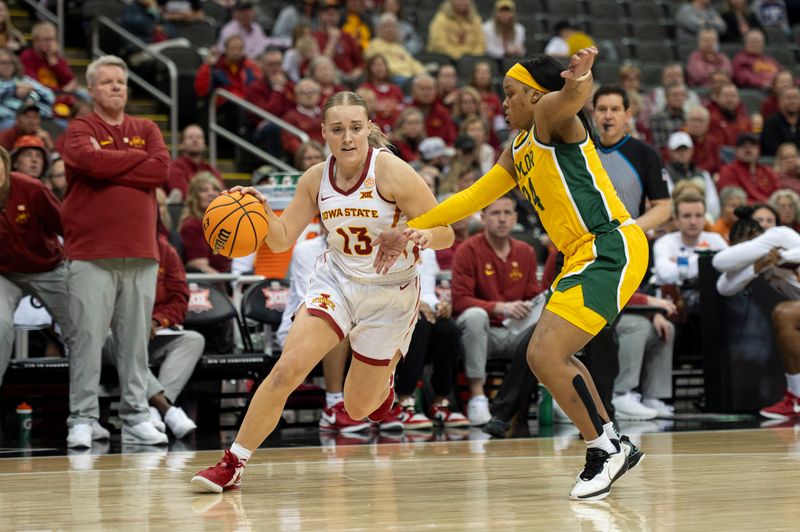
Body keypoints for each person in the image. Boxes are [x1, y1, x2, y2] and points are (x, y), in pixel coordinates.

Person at [403, 48, 648, 500]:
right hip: (581, 254)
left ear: (536, 95)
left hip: (608, 245)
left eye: (511, 94)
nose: (504, 103)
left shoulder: (553, 118)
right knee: (549, 355)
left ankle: (602, 449)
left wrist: (579, 78)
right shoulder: (516, 148)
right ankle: (611, 442)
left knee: (546, 353)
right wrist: (412, 228)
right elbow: (473, 197)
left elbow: (570, 98)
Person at [191, 90, 454, 493]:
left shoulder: (393, 172)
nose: (347, 138)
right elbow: (280, 241)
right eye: (337, 130)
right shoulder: (315, 178)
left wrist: (410, 235)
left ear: (369, 128)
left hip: (390, 293)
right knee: (286, 370)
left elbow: (447, 233)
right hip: (337, 282)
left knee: (357, 407)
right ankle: (233, 462)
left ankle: (382, 390)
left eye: (354, 128)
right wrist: (260, 213)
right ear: (323, 134)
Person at [61, 55, 170, 447]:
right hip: (90, 254)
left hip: (141, 252)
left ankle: (137, 414)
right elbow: (86, 160)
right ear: (91, 89)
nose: (115, 87)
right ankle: (83, 418)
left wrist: (110, 164)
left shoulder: (147, 128)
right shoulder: (79, 128)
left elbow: (161, 171)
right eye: (106, 82)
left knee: (134, 344)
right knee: (88, 341)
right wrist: (136, 161)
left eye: (120, 82)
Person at [449, 195, 541, 425]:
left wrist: (534, 305)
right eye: (495, 213)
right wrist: (500, 307)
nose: (502, 219)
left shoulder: (526, 251)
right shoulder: (468, 250)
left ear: (516, 218)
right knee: (475, 315)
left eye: (507, 213)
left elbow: (531, 293)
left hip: (515, 332)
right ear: (483, 218)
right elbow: (460, 301)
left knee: (546, 323)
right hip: (481, 333)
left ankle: (548, 398)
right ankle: (477, 396)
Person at [712, 206, 800, 419]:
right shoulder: (762, 261)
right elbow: (724, 287)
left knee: (784, 313)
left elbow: (720, 261)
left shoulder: (778, 235)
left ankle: (797, 396)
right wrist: (758, 266)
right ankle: (795, 397)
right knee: (786, 317)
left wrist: (781, 257)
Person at [179, 172, 229, 273]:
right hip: (212, 284)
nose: (211, 193)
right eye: (204, 190)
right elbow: (201, 268)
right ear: (194, 197)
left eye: (215, 189)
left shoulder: (228, 222)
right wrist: (229, 286)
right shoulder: (192, 225)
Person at [166, 125, 223, 203]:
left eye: (199, 137)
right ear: (181, 144)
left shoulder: (210, 169)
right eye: (190, 137)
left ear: (204, 144)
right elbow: (185, 196)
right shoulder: (175, 168)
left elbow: (222, 193)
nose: (195, 140)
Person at [718, 133, 780, 203]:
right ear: (736, 151)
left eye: (752, 146)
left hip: (770, 209)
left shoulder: (767, 171)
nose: (748, 150)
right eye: (743, 146)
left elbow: (777, 195)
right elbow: (732, 200)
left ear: (758, 150)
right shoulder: (728, 171)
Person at [761, 87, 800, 157]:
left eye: (796, 98)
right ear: (780, 101)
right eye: (788, 98)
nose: (792, 102)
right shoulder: (771, 123)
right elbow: (770, 148)